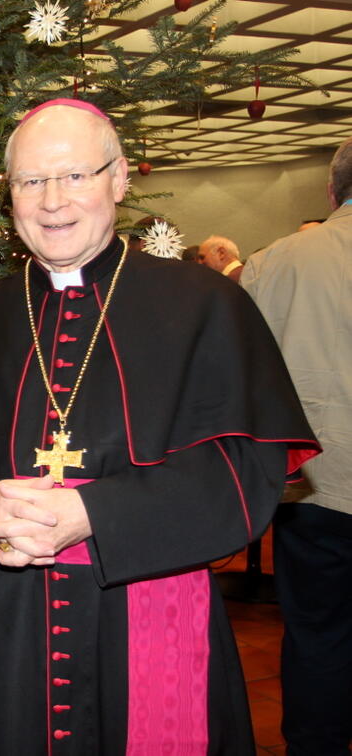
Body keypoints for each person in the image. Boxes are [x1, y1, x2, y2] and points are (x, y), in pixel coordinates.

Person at [0, 98, 319, 755]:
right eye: (31, 181)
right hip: (7, 618)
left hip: (151, 603)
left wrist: (96, 513)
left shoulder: (205, 307)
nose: (53, 200)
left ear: (119, 179)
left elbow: (243, 470)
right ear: (9, 196)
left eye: (76, 175)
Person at [241, 137, 352, 756]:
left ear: (333, 192)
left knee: (316, 634)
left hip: (313, 484)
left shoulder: (275, 260)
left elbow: (242, 377)